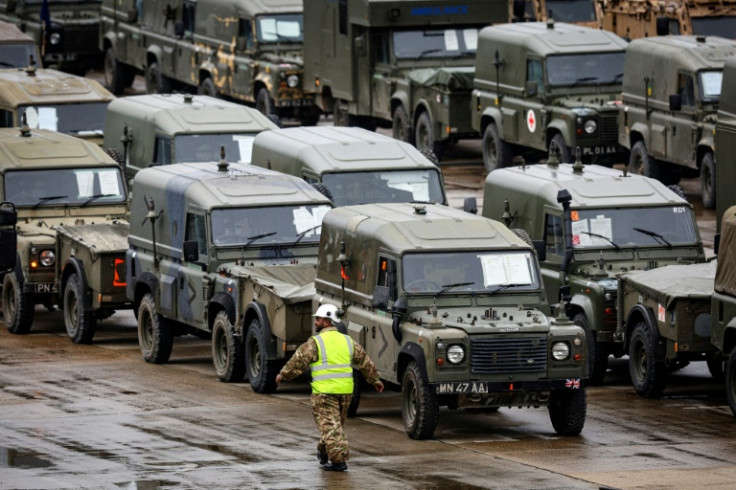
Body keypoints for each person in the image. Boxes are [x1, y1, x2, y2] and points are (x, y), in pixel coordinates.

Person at [275, 304, 384, 472]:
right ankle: (323, 452)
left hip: (324, 394)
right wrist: (375, 379)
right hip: (346, 393)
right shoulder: (348, 341)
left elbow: (299, 360)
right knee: (333, 426)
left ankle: (338, 461)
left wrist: (283, 375)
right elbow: (364, 361)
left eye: (318, 319)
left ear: (326, 321)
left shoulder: (316, 342)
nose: (316, 322)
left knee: (332, 428)